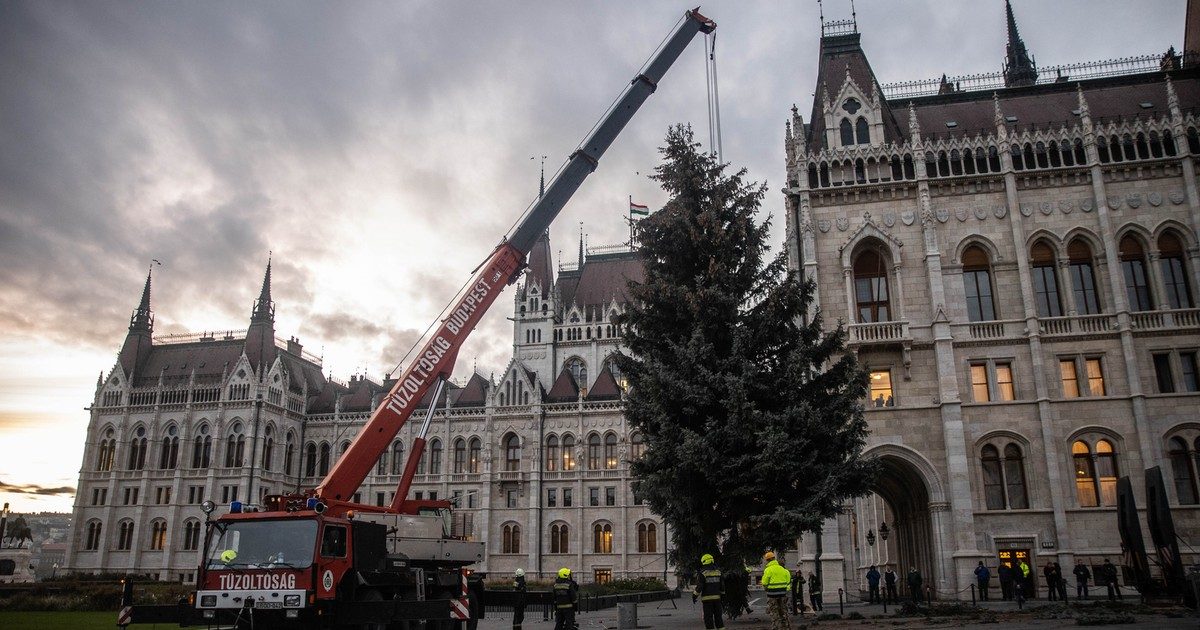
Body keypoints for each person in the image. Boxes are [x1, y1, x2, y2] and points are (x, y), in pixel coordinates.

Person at [760, 551, 792, 630]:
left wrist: (766, 587)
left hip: (772, 595)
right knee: (784, 611)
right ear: (774, 558)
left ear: (767, 560)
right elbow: (788, 582)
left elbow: (764, 582)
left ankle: (776, 627)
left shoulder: (768, 570)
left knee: (774, 612)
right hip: (783, 594)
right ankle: (786, 627)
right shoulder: (783, 569)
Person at [694, 553, 725, 630]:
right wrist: (723, 596)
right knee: (719, 618)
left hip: (707, 600)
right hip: (717, 599)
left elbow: (699, 587)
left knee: (708, 619)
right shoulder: (718, 572)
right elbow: (722, 586)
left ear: (704, 561)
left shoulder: (703, 573)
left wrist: (694, 596)